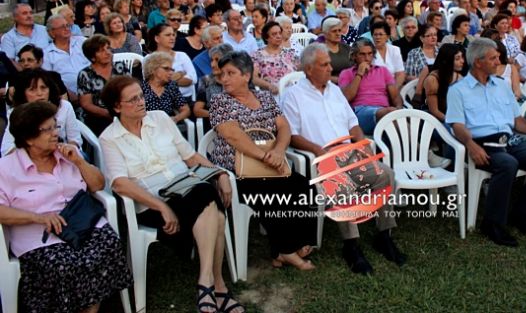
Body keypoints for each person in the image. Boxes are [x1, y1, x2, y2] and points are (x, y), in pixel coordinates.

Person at [99, 76, 244, 313]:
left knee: (204, 191)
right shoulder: (109, 138)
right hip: (152, 207)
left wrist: (221, 174)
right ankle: (218, 286)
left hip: (187, 189)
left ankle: (207, 283)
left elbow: (190, 156)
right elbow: (120, 184)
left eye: (141, 96)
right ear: (116, 107)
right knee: (213, 209)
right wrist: (161, 206)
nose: (141, 102)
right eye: (132, 99)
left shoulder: (160, 119)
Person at [282, 43, 405, 274]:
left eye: (330, 63)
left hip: (349, 154)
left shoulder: (335, 90)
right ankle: (351, 246)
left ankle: (384, 235)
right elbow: (293, 135)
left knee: (385, 174)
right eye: (325, 64)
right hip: (321, 158)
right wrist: (320, 151)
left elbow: (353, 123)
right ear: (309, 69)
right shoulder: (293, 96)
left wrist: (361, 145)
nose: (331, 68)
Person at [0, 101, 132, 313]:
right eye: (48, 129)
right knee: (64, 265)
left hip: (81, 224)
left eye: (56, 126)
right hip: (39, 236)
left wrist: (79, 162)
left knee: (109, 245)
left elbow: (98, 185)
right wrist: (38, 217)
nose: (55, 133)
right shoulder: (6, 168)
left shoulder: (65, 154)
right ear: (28, 138)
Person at [207, 51, 318, 270]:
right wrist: (265, 157)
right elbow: (233, 135)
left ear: (246, 75)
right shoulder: (220, 101)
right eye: (222, 74)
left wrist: (278, 151)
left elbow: (284, 127)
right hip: (238, 168)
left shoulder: (265, 98)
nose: (225, 79)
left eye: (231, 73)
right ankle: (285, 250)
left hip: (271, 160)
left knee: (303, 185)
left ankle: (297, 243)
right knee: (272, 192)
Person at [446, 38, 526, 247]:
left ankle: (521, 215)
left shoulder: (502, 86)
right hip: (483, 144)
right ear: (478, 62)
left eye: (497, 56)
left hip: (511, 141)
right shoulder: (458, 90)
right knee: (507, 164)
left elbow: (516, 120)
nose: (499, 61)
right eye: (493, 58)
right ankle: (493, 224)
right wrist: (471, 145)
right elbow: (456, 125)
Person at [1, 69, 81, 157]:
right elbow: (7, 148)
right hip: (28, 160)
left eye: (43, 88)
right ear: (23, 93)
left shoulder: (64, 107)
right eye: (32, 90)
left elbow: (75, 140)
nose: (40, 93)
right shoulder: (16, 113)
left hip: (63, 156)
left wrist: (67, 152)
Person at [339, 40, 403, 134]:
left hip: (384, 110)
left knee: (401, 115)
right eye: (362, 54)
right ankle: (416, 147)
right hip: (360, 112)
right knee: (390, 114)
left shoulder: (382, 71)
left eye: (370, 54)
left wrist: (399, 108)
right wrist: (359, 74)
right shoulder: (346, 73)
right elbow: (346, 98)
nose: (367, 58)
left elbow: (395, 96)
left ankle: (414, 146)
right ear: (354, 56)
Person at [77, 35, 132, 136]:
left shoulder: (121, 67)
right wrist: (109, 113)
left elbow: (131, 90)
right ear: (92, 57)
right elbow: (86, 104)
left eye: (108, 48)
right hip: (98, 116)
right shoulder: (85, 74)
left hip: (124, 110)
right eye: (101, 51)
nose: (107, 53)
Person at [42, 15, 89, 102]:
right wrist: (71, 96)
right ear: (52, 33)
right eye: (62, 27)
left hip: (96, 90)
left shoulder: (82, 42)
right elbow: (51, 81)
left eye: (67, 25)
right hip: (70, 98)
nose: (67, 28)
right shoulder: (47, 54)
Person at [148, 24, 197, 100]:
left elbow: (193, 79)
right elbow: (152, 83)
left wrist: (166, 80)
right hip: (160, 100)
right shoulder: (149, 59)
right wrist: (180, 74)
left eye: (173, 35)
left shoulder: (182, 55)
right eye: (168, 35)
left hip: (185, 99)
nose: (172, 38)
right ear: (157, 38)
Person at [141, 52, 191, 124]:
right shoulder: (141, 88)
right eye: (166, 68)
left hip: (167, 126)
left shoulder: (171, 86)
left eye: (172, 70)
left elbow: (186, 110)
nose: (171, 73)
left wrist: (175, 118)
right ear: (153, 69)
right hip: (146, 126)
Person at [193, 44, 231, 131]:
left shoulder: (238, 79)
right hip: (214, 126)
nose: (212, 64)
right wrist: (219, 115)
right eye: (211, 60)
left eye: (217, 60)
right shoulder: (206, 80)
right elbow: (197, 110)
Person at [371, 21, 406, 88]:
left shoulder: (395, 50)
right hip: (375, 88)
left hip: (394, 87)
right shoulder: (368, 51)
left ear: (387, 37)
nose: (377, 37)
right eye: (375, 34)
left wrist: (394, 88)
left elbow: (400, 74)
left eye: (381, 34)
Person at [320, 17, 351, 83]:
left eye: (339, 30)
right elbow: (317, 74)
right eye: (334, 31)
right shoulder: (320, 51)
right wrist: (335, 79)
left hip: (348, 84)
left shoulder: (347, 48)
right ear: (325, 34)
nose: (338, 34)